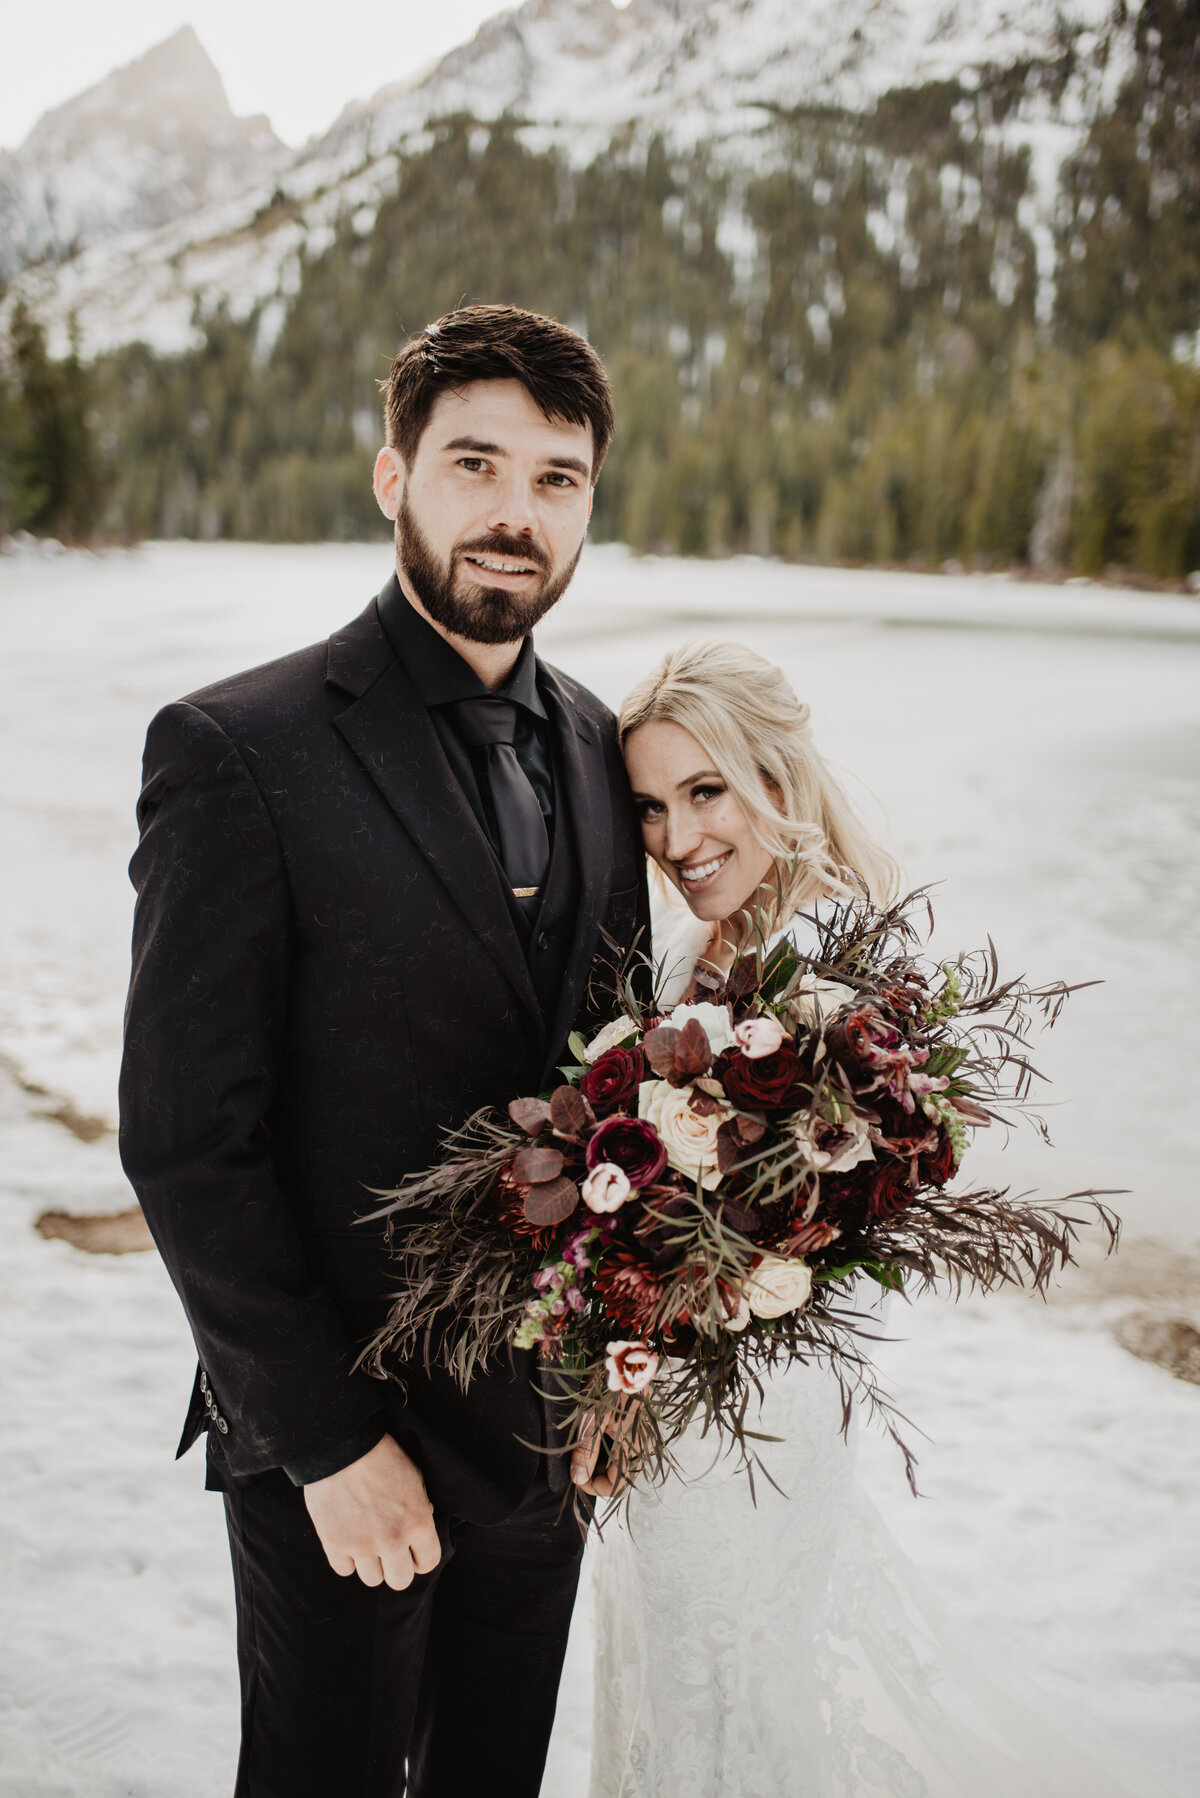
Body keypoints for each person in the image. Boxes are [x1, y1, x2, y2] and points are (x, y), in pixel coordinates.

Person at [118, 304, 647, 1798]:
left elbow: (621, 1101)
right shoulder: (238, 749)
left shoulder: (606, 749)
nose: (515, 511)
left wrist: (623, 1358)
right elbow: (182, 1138)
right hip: (342, 1444)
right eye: (474, 463)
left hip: (549, 1443)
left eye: (558, 478)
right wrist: (326, 1445)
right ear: (390, 476)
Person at [588, 639, 1135, 1798]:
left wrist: (635, 1378)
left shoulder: (835, 967)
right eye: (648, 806)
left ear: (775, 779)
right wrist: (619, 1378)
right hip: (674, 1408)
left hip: (753, 1414)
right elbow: (648, 1217)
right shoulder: (690, 946)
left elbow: (771, 1239)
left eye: (705, 791)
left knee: (730, 1691)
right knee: (664, 1682)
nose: (678, 840)